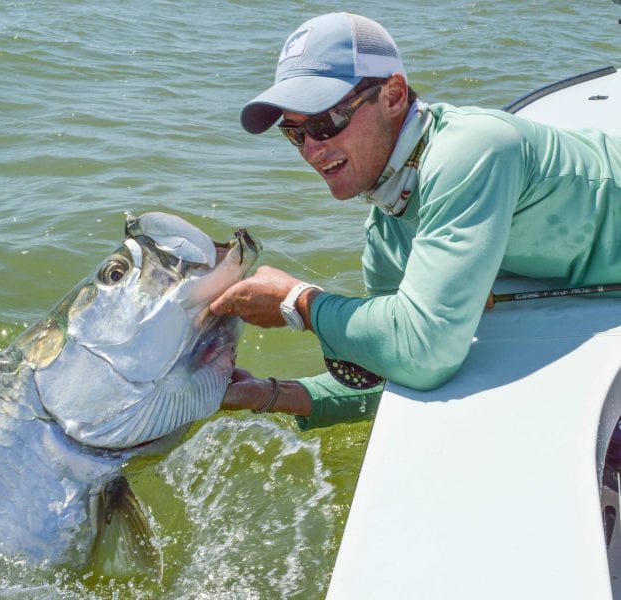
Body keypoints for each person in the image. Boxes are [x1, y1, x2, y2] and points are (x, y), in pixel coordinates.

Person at [211, 12, 621, 430]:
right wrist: (270, 393)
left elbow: (424, 351)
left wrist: (298, 303)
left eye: (325, 122)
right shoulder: (387, 232)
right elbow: (398, 364)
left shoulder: (473, 150)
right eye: (295, 133)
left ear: (393, 94)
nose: (312, 150)